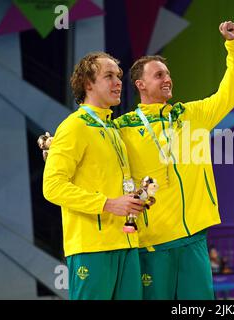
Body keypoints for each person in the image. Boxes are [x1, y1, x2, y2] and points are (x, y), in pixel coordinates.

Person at [114, 21, 234, 299]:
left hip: (194, 238)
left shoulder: (191, 115)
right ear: (140, 84)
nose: (167, 79)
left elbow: (231, 91)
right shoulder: (122, 127)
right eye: (159, 75)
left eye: (168, 74)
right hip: (152, 242)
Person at [43, 52, 145, 300]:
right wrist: (109, 204)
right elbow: (52, 186)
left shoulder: (112, 128)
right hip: (92, 248)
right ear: (88, 84)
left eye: (119, 76)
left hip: (127, 242)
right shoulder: (74, 126)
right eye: (109, 76)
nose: (118, 82)